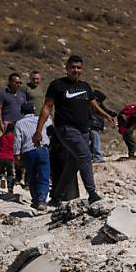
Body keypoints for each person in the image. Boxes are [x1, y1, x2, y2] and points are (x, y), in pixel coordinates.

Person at [32, 55, 113, 205]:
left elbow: (93, 106)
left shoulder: (85, 86)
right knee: (85, 156)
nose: (76, 70)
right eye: (73, 67)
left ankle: (56, 197)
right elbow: (47, 107)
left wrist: (107, 115)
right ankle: (92, 193)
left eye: (79, 68)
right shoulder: (57, 85)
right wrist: (38, 131)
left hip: (84, 130)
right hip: (65, 128)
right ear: (67, 68)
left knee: (74, 163)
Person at [13, 102, 50, 210]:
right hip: (42, 149)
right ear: (34, 111)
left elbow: (17, 141)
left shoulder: (19, 123)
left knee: (32, 177)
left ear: (22, 112)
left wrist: (17, 156)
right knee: (44, 176)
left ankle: (35, 200)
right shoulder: (42, 119)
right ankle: (42, 201)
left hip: (28, 152)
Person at [0, 123, 16, 194]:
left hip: (1, 157)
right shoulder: (14, 138)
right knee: (10, 173)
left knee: (1, 171)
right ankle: (10, 188)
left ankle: (2, 177)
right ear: (13, 130)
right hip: (10, 158)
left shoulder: (2, 137)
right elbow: (17, 147)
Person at [89, 90, 111, 164]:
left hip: (93, 126)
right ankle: (97, 157)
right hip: (93, 127)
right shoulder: (92, 106)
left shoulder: (95, 106)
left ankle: (92, 156)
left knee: (92, 143)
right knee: (96, 142)